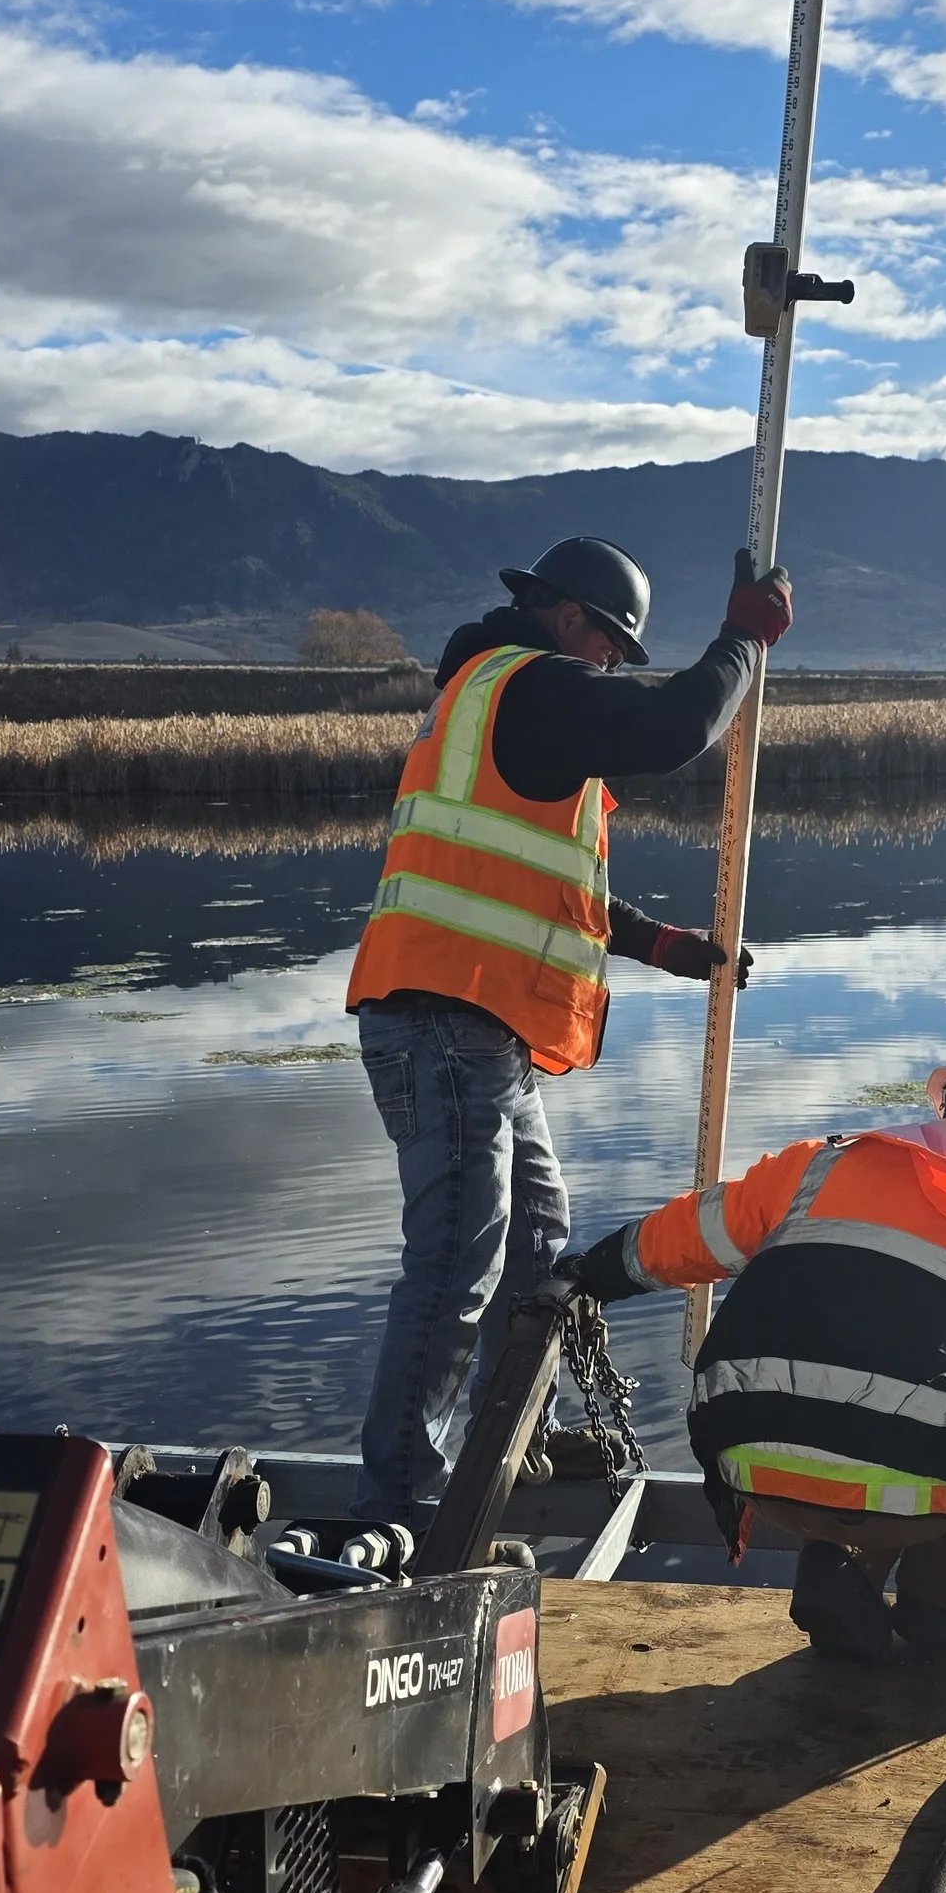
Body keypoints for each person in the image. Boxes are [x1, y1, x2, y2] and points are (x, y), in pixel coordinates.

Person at [347, 532, 793, 1526]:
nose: (608, 670)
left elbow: (535, 886)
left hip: (474, 1029)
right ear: (569, 619)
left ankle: (518, 1445)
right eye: (610, 649)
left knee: (540, 1249)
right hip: (444, 1022)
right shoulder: (532, 684)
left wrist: (656, 944)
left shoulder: (496, 701)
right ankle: (400, 1508)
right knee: (455, 1267)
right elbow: (677, 726)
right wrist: (740, 641)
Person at [560, 1045, 946, 1659]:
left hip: (752, 1461)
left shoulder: (818, 1166)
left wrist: (586, 1272)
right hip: (904, 1485)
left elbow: (681, 1235)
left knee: (879, 1380)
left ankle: (851, 1565)